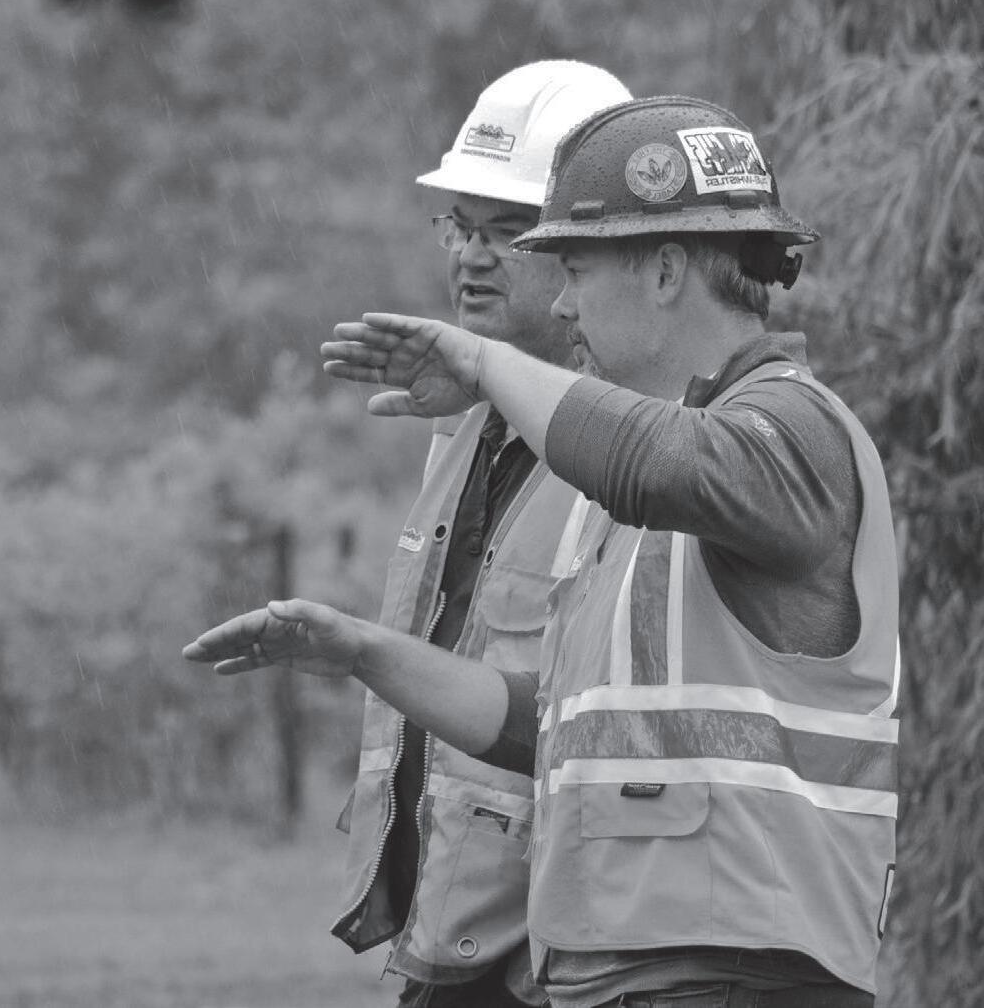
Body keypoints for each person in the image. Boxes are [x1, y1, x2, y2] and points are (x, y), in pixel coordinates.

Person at [185, 95, 896, 1008]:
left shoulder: (788, 428)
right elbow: (553, 727)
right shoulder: (652, 488)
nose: (560, 305)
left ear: (665, 269)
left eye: (574, 270)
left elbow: (658, 462)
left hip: (731, 978)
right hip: (638, 975)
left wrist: (483, 363)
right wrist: (361, 650)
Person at [326, 60, 629, 1008]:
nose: (470, 256)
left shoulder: (634, 443)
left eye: (506, 231)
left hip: (563, 946)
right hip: (455, 925)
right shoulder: (462, 422)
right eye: (460, 226)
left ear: (589, 252)